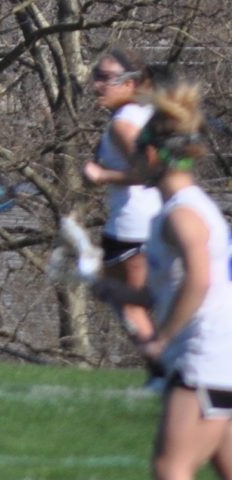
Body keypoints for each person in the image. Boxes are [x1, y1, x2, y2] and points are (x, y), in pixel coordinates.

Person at [100, 80, 232, 480]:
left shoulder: (181, 213)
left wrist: (161, 337)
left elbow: (199, 281)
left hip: (207, 356)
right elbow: (170, 288)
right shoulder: (181, 209)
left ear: (153, 156)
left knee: (170, 467)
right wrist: (114, 291)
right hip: (218, 354)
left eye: (136, 154)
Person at [81, 49, 162, 354]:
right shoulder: (145, 114)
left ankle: (162, 366)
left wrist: (102, 175)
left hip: (132, 227)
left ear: (130, 83)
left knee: (129, 307)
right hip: (153, 224)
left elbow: (150, 170)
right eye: (96, 76)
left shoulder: (123, 123)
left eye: (106, 78)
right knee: (118, 294)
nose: (96, 85)